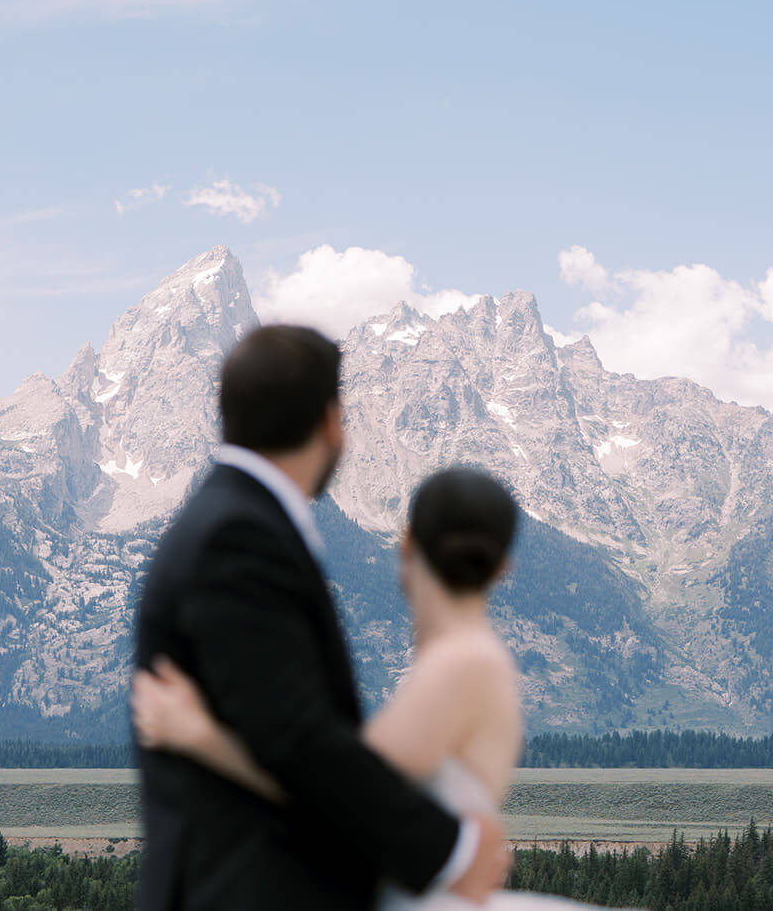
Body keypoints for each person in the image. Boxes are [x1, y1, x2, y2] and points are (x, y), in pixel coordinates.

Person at [132, 325, 511, 910]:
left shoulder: (231, 521)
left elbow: (296, 742)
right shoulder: (238, 534)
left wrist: (202, 735)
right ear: (332, 423)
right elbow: (298, 743)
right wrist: (453, 852)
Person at [135, 464, 611, 910]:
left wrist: (200, 735)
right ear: (502, 567)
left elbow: (338, 794)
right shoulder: (478, 660)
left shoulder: (459, 665)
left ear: (406, 544)